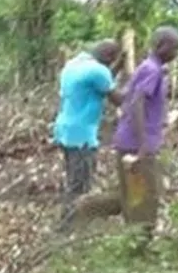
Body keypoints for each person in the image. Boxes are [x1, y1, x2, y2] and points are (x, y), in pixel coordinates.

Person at [74, 26, 178, 232]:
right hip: (137, 143)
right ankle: (139, 240)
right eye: (174, 49)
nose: (176, 54)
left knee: (136, 192)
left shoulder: (149, 68)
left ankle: (87, 207)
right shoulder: (151, 70)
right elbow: (137, 104)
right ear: (161, 46)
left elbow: (129, 95)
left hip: (134, 140)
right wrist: (142, 145)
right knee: (144, 195)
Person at [52, 40, 124, 223]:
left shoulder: (75, 63)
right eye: (112, 60)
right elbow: (119, 100)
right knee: (80, 186)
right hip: (81, 135)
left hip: (65, 130)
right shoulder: (99, 72)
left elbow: (100, 83)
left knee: (73, 180)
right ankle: (68, 228)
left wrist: (116, 68)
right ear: (109, 58)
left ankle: (68, 222)